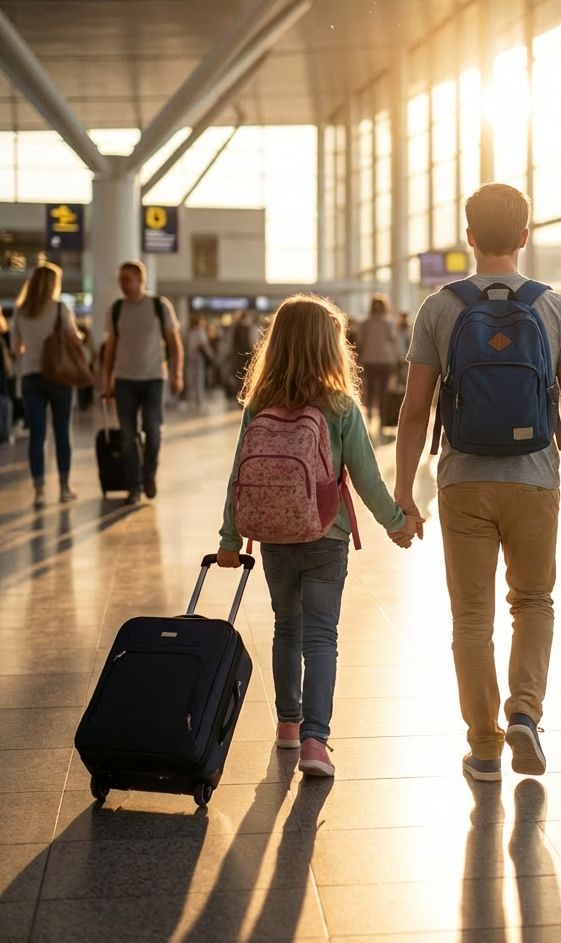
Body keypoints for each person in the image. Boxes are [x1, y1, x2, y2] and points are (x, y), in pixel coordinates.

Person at [394, 182, 561, 782]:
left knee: (471, 618)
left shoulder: (439, 308)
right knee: (533, 601)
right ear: (525, 237)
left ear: (469, 237)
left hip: (462, 480)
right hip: (536, 477)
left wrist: (406, 494)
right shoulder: (556, 308)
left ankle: (484, 747)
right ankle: (526, 715)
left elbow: (413, 411)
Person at [215, 295, 420, 778]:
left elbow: (238, 476)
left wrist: (229, 537)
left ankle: (288, 725)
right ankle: (315, 740)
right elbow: (366, 476)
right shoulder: (339, 405)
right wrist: (397, 523)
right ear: (330, 347)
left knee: (285, 626)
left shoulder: (259, 404)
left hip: (274, 535)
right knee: (320, 635)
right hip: (326, 534)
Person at [101, 260, 184, 504]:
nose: (123, 284)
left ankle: (149, 474)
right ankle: (134, 486)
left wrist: (177, 374)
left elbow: (174, 342)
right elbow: (110, 349)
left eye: (127, 279)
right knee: (128, 436)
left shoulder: (160, 306)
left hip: (153, 378)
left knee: (153, 431)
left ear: (140, 280)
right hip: (125, 379)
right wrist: (107, 382)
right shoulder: (116, 309)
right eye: (121, 280)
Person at [11, 263, 77, 507]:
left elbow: (15, 349)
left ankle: (39, 491)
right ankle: (64, 487)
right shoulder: (60, 309)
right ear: (54, 284)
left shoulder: (20, 311)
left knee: (36, 435)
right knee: (62, 431)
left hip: (31, 376)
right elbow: (72, 340)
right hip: (59, 375)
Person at [355, 295, 399, 432]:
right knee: (383, 392)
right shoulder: (389, 324)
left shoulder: (364, 324)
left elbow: (359, 342)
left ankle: (368, 419)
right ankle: (381, 423)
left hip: (368, 360)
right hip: (385, 360)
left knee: (369, 391)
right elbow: (393, 340)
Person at [186, 317, 216, 407]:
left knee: (192, 379)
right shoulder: (200, 332)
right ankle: (199, 401)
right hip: (199, 357)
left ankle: (191, 400)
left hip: (190, 358)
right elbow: (204, 345)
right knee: (199, 379)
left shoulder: (190, 333)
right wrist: (211, 355)